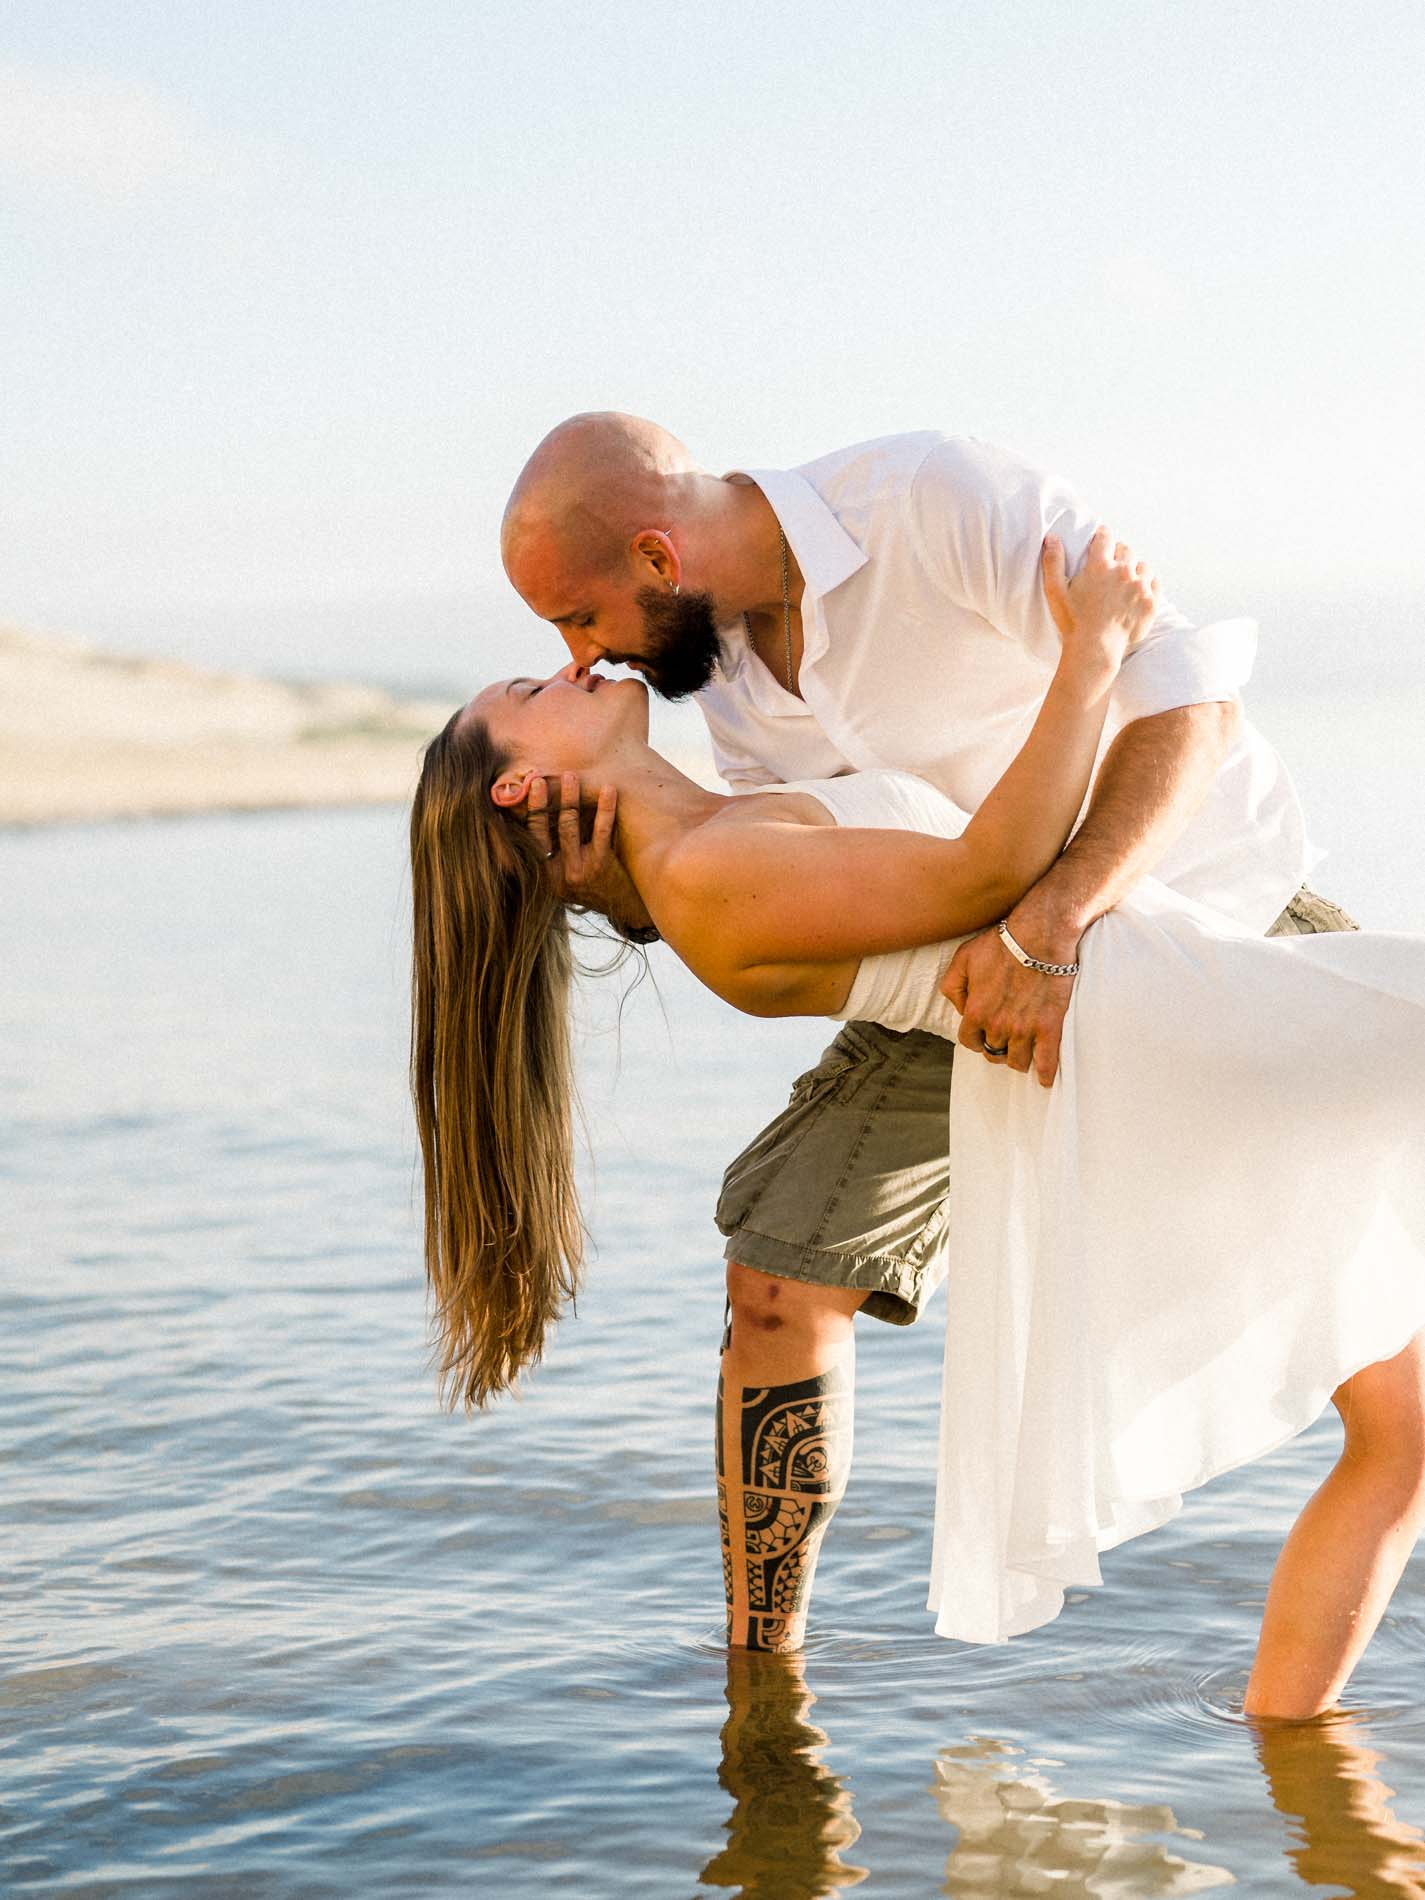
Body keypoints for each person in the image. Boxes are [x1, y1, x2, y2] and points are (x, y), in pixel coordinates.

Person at [409, 534, 1425, 1721]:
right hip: (1156, 1021)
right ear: (519, 787)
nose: (569, 666)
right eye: (533, 693)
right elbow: (999, 864)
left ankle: (1291, 1750)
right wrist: (1093, 647)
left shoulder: (699, 845)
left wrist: (601, 878)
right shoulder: (707, 870)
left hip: (1153, 997)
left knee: (1404, 1424)